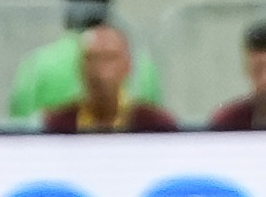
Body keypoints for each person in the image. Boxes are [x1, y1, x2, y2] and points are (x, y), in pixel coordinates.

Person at [9, 0, 163, 120]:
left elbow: (19, 130)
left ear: (66, 10)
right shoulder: (140, 63)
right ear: (109, 11)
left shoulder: (37, 64)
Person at [43, 24, 177, 133]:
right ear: (80, 68)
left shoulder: (155, 125)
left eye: (110, 58)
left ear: (128, 66)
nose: (100, 71)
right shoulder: (59, 125)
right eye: (92, 59)